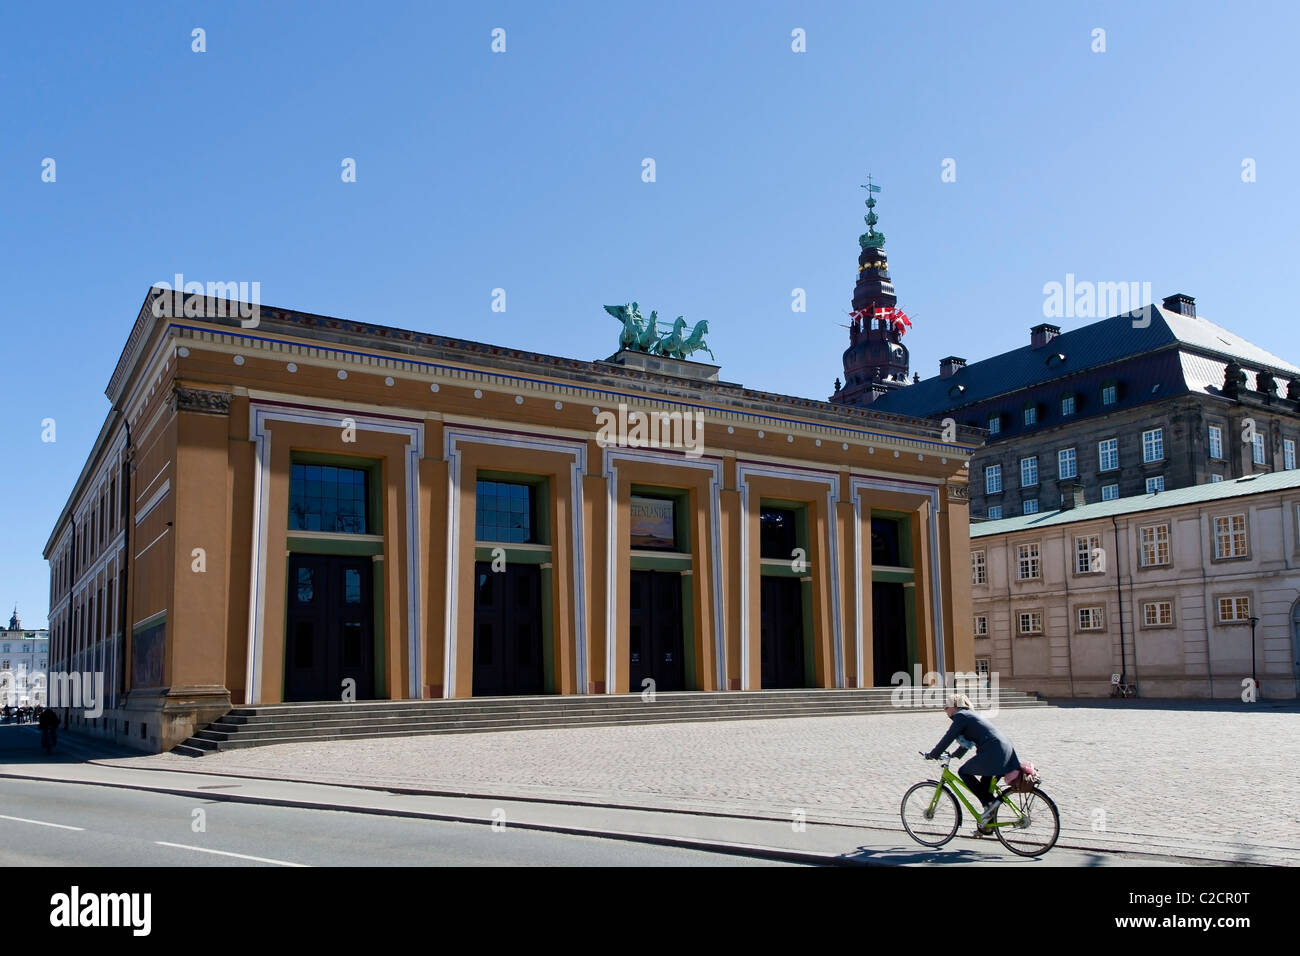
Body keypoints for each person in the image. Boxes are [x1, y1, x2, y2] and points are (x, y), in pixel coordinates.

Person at [926, 693, 1021, 835]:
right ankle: (986, 826)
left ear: (955, 706)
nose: (945, 710)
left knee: (963, 772)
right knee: (984, 787)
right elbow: (966, 744)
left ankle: (991, 803)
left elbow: (948, 737)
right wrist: (953, 755)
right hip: (1005, 751)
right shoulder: (969, 715)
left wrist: (933, 754)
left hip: (994, 752)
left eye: (946, 707)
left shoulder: (961, 716)